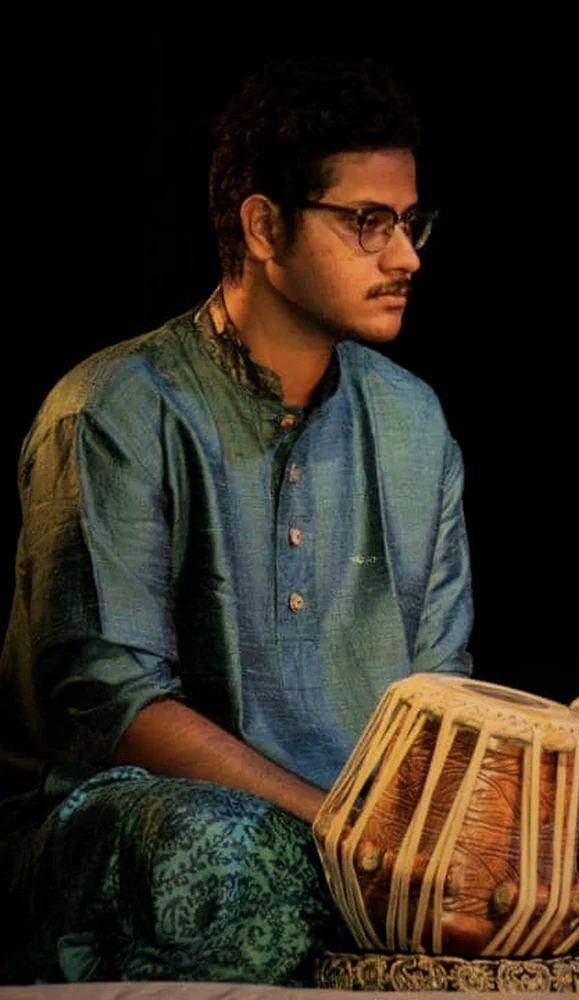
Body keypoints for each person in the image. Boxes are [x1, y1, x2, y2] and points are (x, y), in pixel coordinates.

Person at [0, 59, 472, 985]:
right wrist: (336, 828)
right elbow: (117, 708)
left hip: (359, 847)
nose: (406, 256)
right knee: (224, 855)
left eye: (410, 222)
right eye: (368, 223)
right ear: (264, 226)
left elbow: (441, 697)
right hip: (135, 828)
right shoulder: (115, 412)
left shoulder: (415, 427)